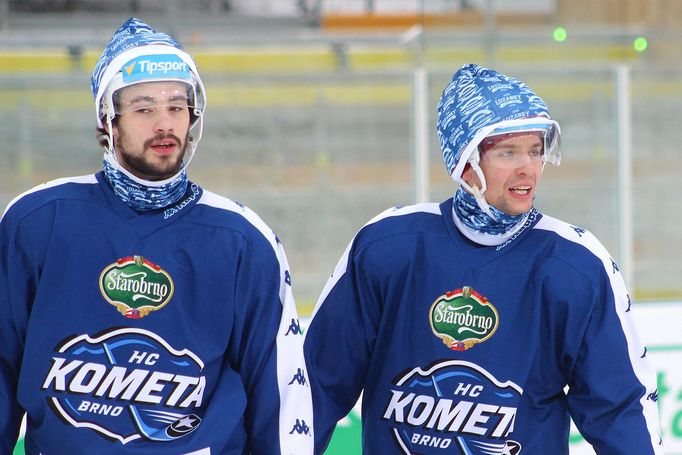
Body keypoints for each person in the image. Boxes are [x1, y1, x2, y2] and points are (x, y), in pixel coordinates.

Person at [304, 63, 663, 454]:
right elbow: (313, 388)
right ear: (464, 162)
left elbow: (620, 410)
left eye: (535, 150)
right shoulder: (388, 247)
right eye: (508, 152)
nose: (528, 167)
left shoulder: (575, 266)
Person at [0, 17, 313, 454]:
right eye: (144, 108)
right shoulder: (38, 221)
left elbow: (279, 396)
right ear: (109, 121)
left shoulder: (243, 240)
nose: (164, 123)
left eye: (176, 106)